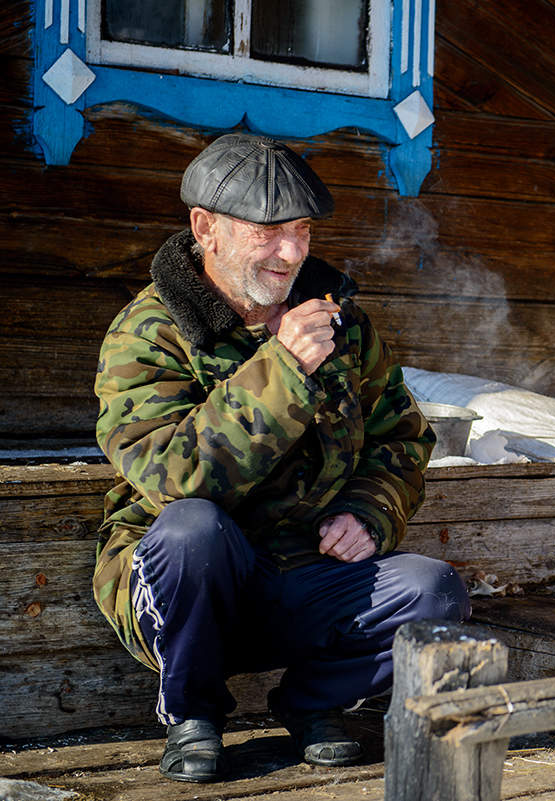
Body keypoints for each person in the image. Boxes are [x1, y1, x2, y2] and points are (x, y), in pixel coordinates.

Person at [91, 133, 470, 783]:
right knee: (191, 530)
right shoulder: (149, 331)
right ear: (204, 228)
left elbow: (401, 441)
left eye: (300, 229)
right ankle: (193, 714)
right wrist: (285, 369)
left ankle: (315, 701)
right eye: (267, 231)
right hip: (190, 587)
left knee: (433, 591)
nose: (291, 251)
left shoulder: (340, 324)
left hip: (302, 575)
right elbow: (172, 472)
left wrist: (368, 511)